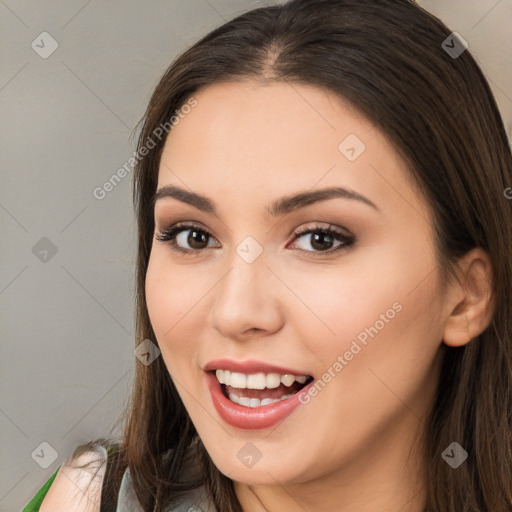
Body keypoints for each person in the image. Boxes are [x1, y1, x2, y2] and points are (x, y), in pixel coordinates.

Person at [24, 0, 512, 510]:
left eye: (320, 239)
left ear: (467, 296)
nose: (234, 311)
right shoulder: (88, 500)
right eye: (193, 236)